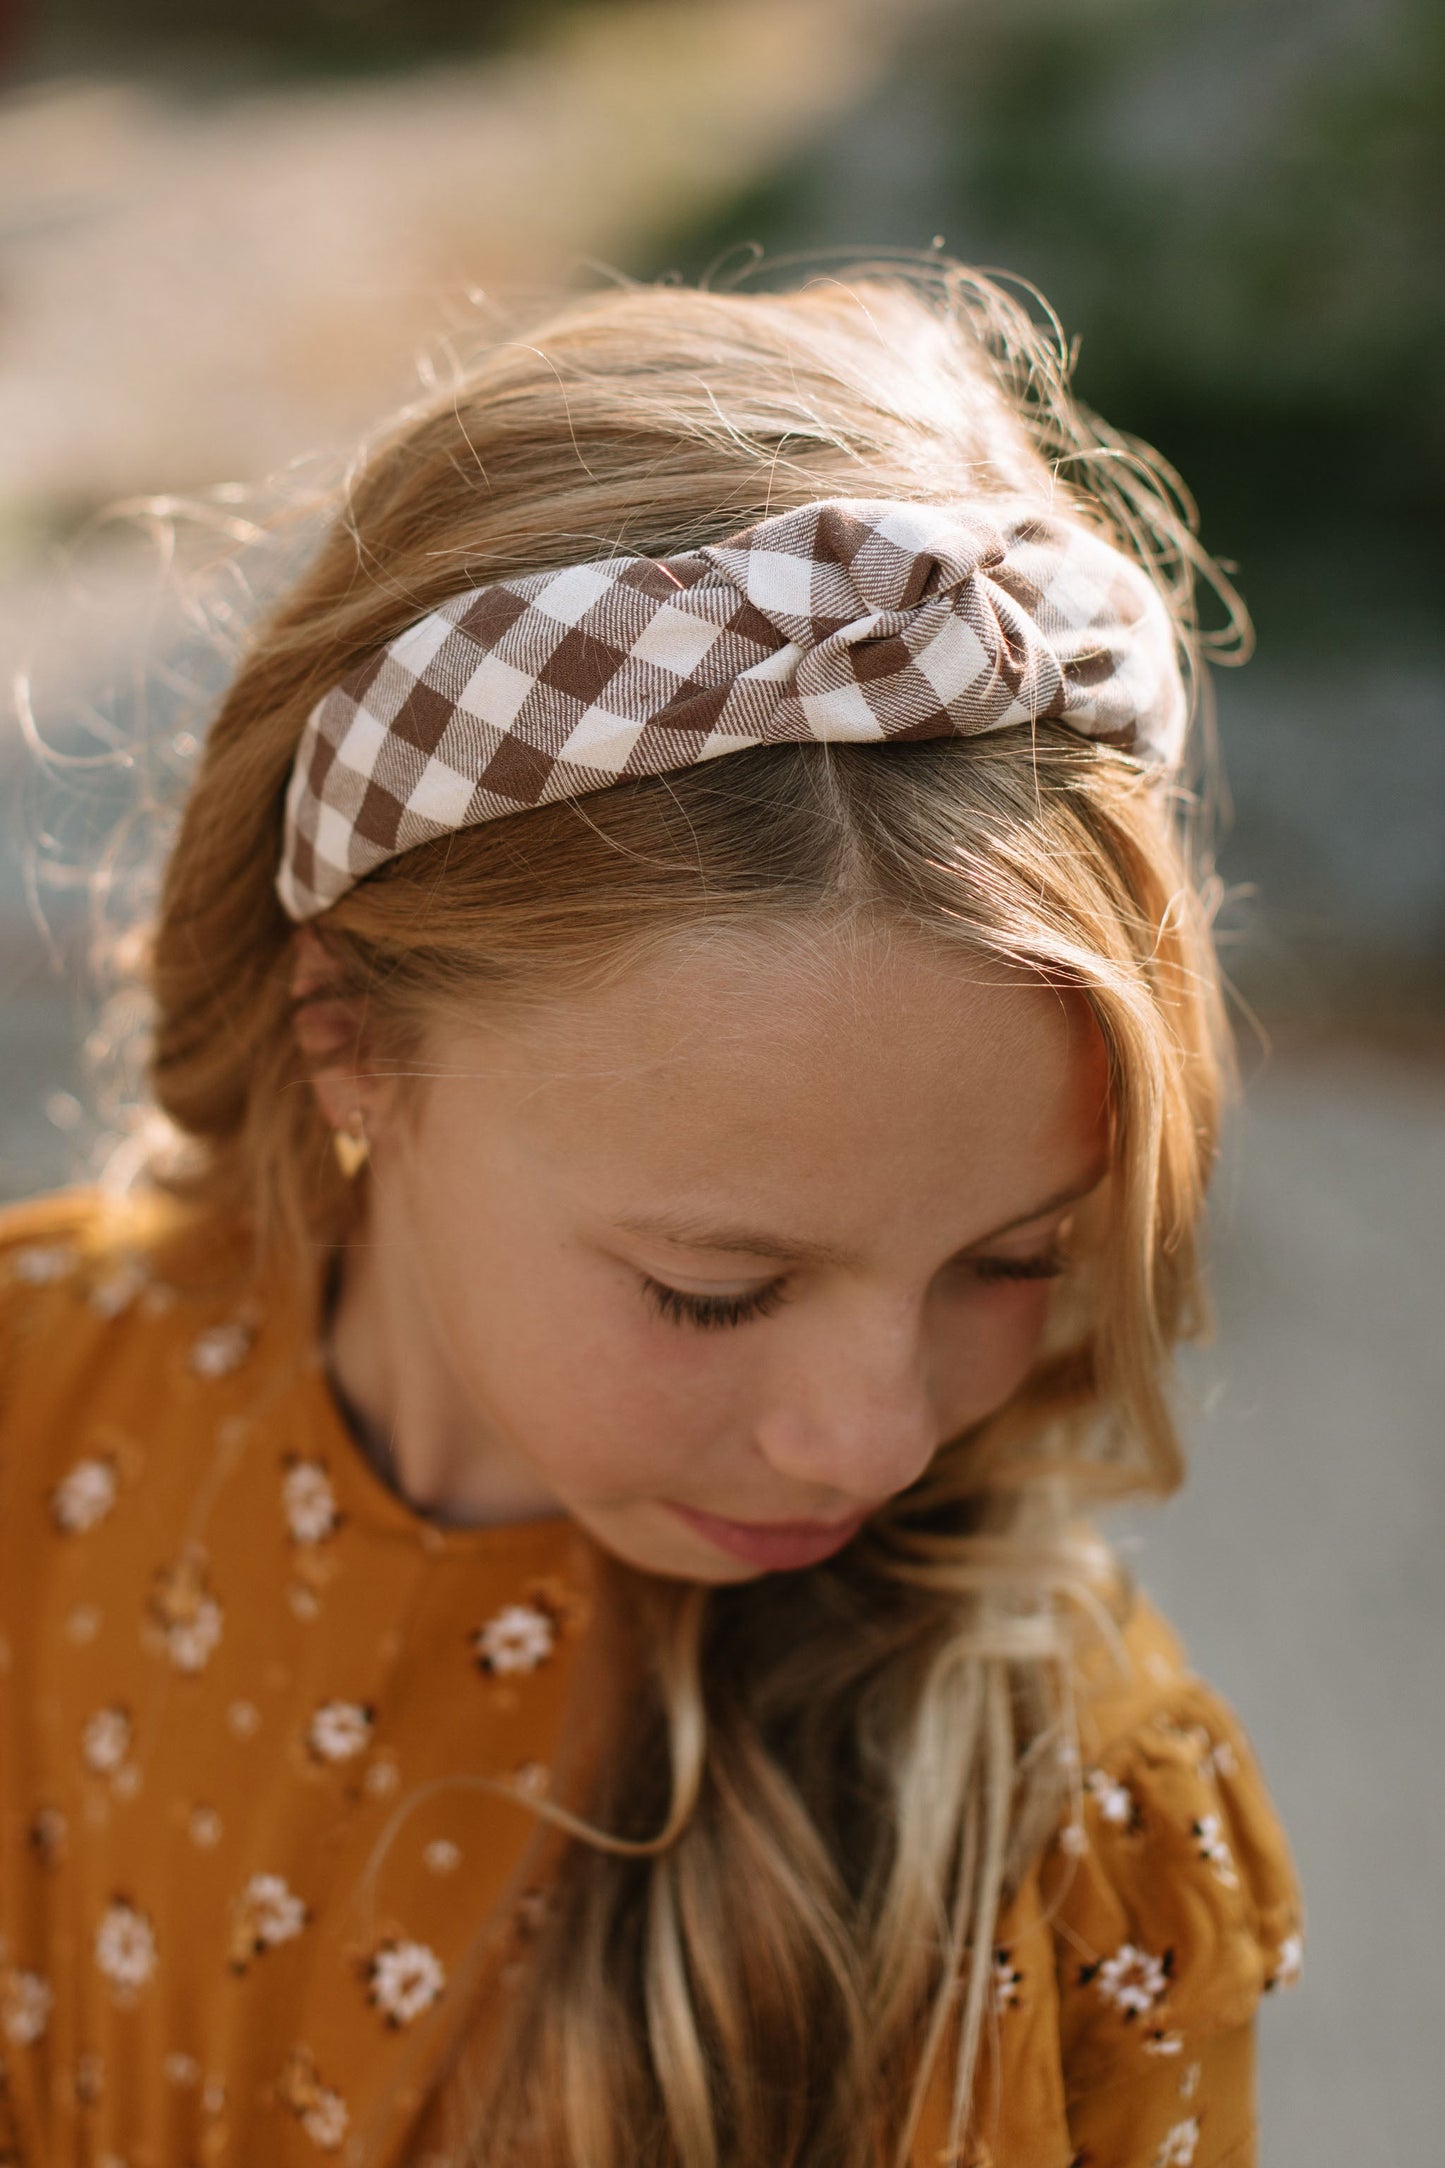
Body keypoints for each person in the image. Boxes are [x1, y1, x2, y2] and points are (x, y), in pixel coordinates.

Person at [0, 260, 1303, 2168]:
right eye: (716, 1289)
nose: (868, 1431)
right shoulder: (37, 1413)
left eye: (1011, 1258)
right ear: (350, 1040)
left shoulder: (1040, 1831)